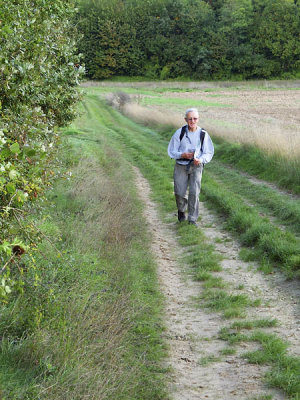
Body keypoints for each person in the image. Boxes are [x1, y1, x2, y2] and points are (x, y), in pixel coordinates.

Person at [167, 108, 214, 226]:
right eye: (190, 119)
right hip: (181, 166)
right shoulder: (179, 133)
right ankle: (181, 211)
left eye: (195, 118)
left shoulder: (203, 134)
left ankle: (192, 219)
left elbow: (208, 152)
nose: (192, 121)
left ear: (198, 119)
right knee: (179, 192)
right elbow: (171, 151)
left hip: (196, 166)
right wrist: (182, 155)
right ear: (185, 119)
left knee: (194, 192)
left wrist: (200, 160)